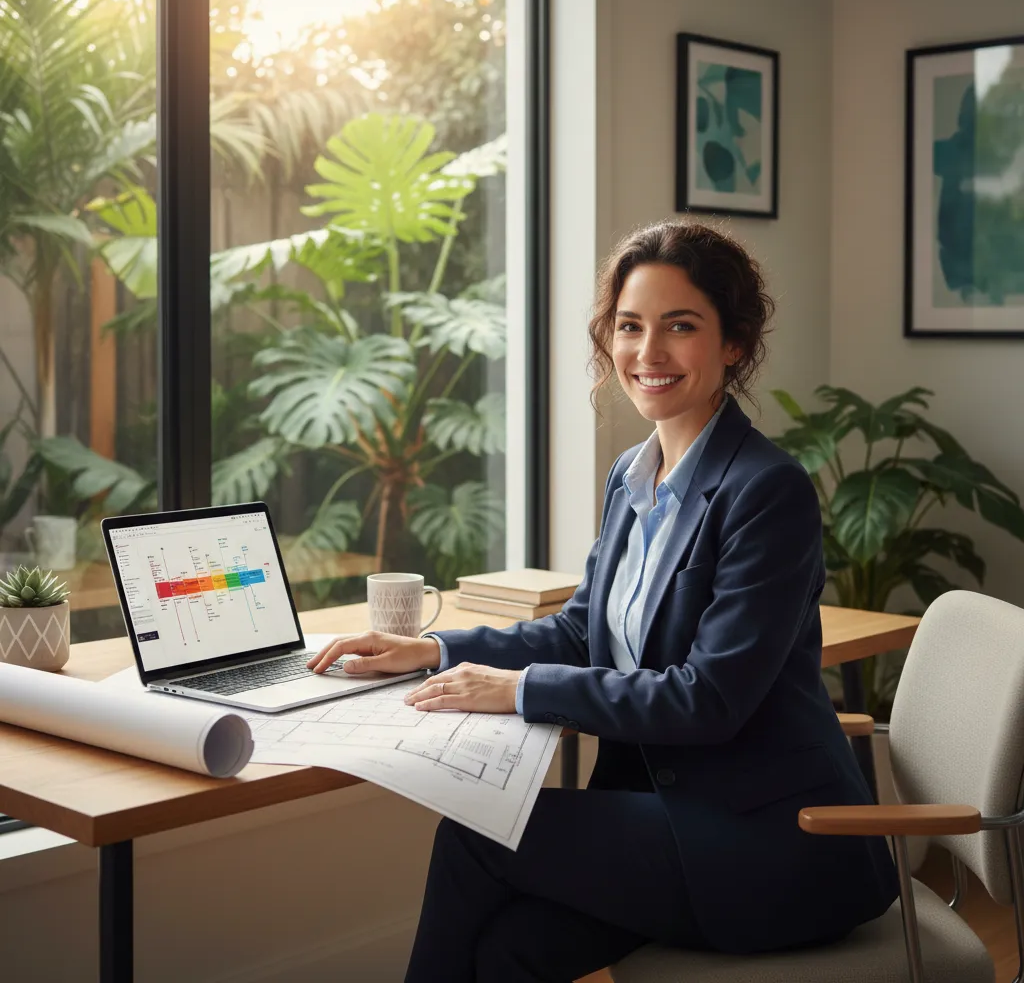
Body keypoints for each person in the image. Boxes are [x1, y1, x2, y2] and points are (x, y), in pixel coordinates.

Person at [308, 219, 899, 983]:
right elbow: (587, 632)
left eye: (679, 327)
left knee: (475, 836)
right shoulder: (633, 474)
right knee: (507, 952)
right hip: (666, 820)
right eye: (629, 327)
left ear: (733, 344)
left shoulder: (767, 490)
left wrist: (518, 691)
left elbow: (708, 698)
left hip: (771, 843)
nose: (647, 353)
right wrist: (439, 649)